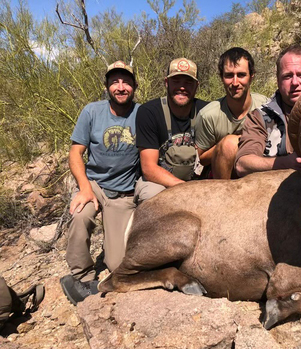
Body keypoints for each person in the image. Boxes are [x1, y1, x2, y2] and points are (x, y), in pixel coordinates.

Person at [60, 60, 140, 305]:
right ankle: (81, 277)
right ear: (106, 87)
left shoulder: (143, 113)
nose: (120, 87)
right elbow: (76, 153)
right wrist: (85, 188)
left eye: (126, 81)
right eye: (114, 81)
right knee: (80, 214)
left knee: (118, 265)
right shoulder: (92, 111)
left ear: (134, 86)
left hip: (124, 192)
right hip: (95, 184)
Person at [235, 45, 301, 177]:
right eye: (287, 76)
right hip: (274, 192)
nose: (295, 82)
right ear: (278, 80)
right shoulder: (260, 116)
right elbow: (242, 164)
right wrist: (286, 163)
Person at [134, 58, 208, 203]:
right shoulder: (149, 112)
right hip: (159, 181)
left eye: (188, 82)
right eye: (176, 81)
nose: (182, 87)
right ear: (166, 83)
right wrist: (184, 188)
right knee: (151, 196)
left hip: (197, 181)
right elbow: (149, 169)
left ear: (196, 86)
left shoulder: (207, 111)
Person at [195, 47, 268, 179]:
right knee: (229, 144)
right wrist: (228, 146)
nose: (235, 83)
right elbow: (200, 159)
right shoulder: (208, 115)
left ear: (251, 76)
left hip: (257, 171)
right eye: (229, 75)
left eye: (241, 75)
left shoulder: (265, 107)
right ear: (221, 78)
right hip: (220, 176)